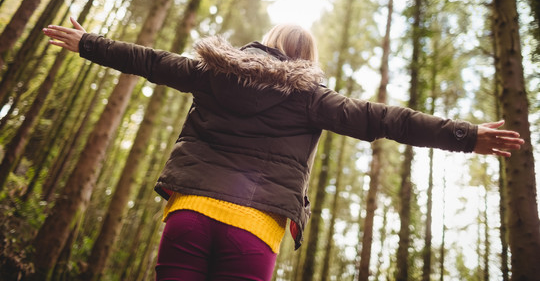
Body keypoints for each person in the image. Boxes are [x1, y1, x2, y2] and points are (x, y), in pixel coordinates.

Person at [43, 17, 524, 281]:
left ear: (266, 44)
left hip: (189, 212)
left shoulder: (212, 72)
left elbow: (148, 60)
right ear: (309, 60)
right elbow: (384, 119)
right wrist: (464, 135)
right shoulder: (312, 98)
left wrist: (89, 43)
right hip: (253, 228)